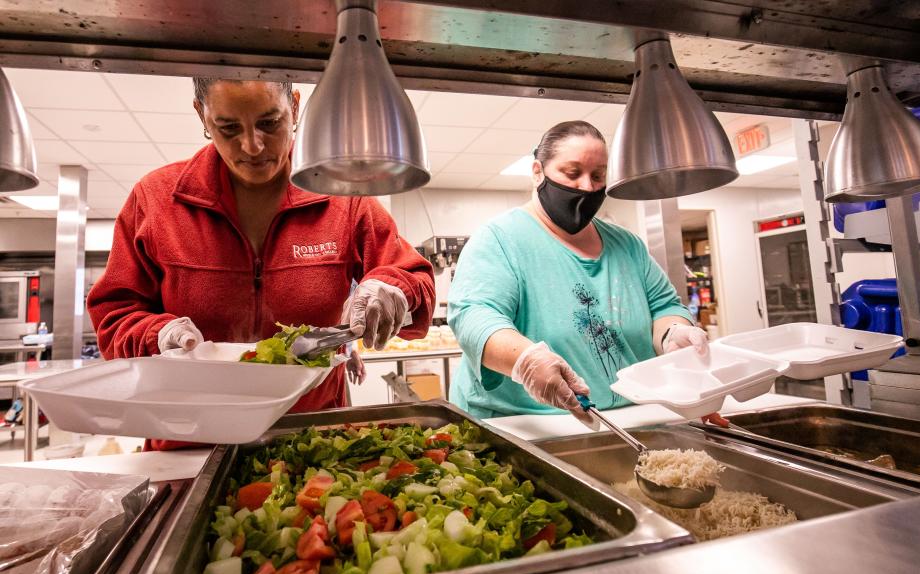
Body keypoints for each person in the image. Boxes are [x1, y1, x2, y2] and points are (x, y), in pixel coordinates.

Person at [87, 78, 435, 442]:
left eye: (270, 123)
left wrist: (392, 290)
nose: (252, 146)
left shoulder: (343, 197)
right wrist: (157, 336)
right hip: (190, 438)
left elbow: (414, 280)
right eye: (229, 127)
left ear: (296, 107)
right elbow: (114, 315)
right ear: (201, 116)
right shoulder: (156, 200)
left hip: (312, 437)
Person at [448, 120, 724, 428]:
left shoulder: (627, 246)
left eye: (598, 175)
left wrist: (673, 333)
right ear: (538, 172)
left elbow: (664, 306)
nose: (587, 187)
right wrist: (526, 360)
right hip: (527, 428)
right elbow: (475, 317)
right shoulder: (500, 239)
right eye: (572, 172)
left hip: (633, 420)